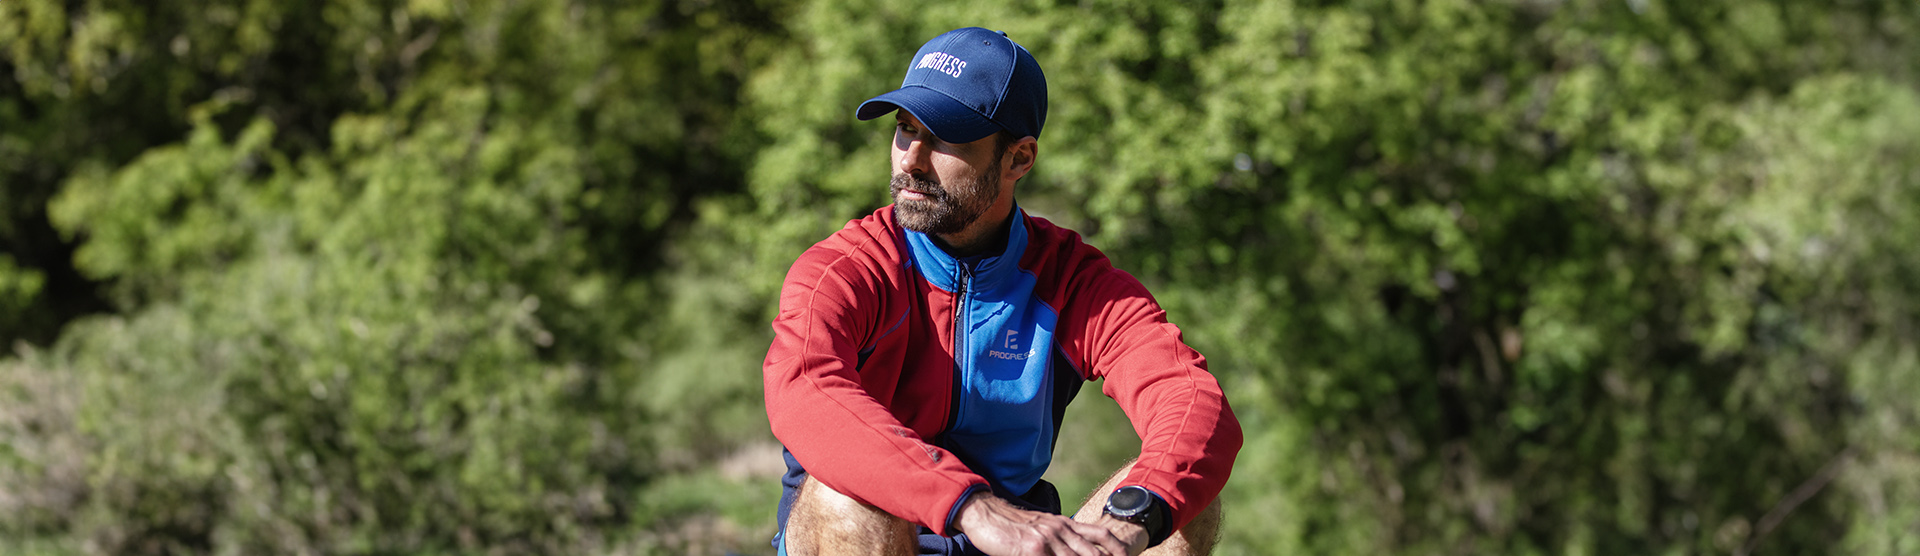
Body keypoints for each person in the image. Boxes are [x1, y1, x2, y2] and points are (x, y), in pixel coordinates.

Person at [763, 27, 1242, 556]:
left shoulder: (1073, 279)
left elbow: (1190, 401)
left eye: (945, 138)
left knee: (1172, 503)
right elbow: (805, 389)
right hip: (885, 536)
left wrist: (1128, 528)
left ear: (1018, 159)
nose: (911, 160)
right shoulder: (847, 269)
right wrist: (969, 506)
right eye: (905, 129)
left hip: (1019, 544)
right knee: (846, 498)